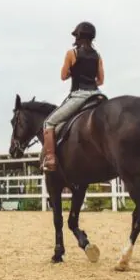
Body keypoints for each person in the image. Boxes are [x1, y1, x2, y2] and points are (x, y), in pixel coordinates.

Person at [41, 21, 105, 172]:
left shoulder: (72, 53)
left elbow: (63, 76)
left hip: (79, 95)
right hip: (97, 95)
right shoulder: (98, 56)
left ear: (78, 36)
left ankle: (50, 159)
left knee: (48, 123)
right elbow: (101, 80)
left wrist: (73, 72)